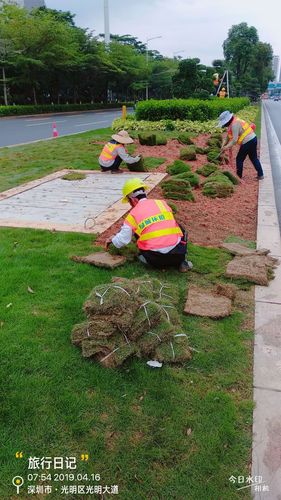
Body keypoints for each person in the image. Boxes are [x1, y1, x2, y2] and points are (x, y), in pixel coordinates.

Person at [106, 178, 192, 272]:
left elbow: (122, 240)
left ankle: (148, 259)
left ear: (133, 200)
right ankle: (182, 262)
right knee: (179, 228)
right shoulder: (162, 203)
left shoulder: (133, 214)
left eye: (128, 201)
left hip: (155, 260)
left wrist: (112, 240)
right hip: (177, 254)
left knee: (138, 233)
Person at [218, 110, 264, 180]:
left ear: (227, 120)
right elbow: (227, 137)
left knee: (239, 159)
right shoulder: (233, 122)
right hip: (253, 138)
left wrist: (226, 147)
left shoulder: (234, 125)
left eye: (224, 123)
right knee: (253, 158)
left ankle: (238, 177)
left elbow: (234, 140)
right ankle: (260, 175)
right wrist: (223, 145)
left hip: (248, 141)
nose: (224, 125)